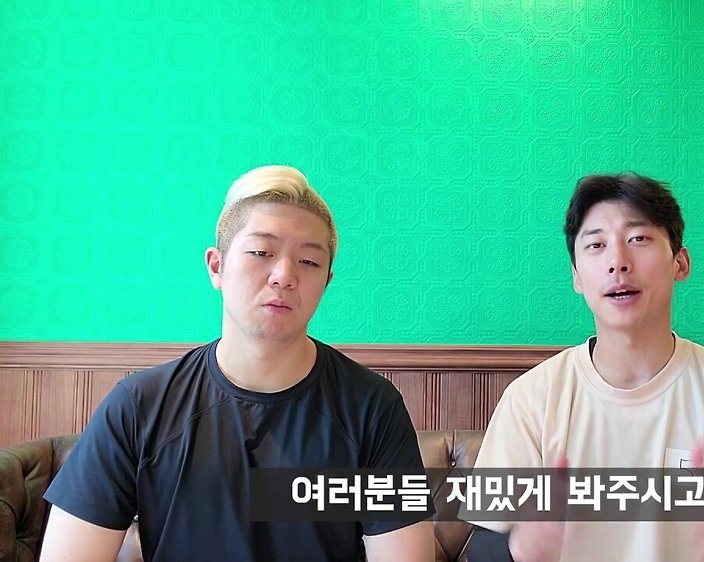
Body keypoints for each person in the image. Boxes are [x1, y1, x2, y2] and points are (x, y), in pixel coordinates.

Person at [41, 165, 435, 562]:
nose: (284, 276)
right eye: (261, 253)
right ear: (217, 266)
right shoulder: (138, 406)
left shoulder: (373, 407)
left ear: (326, 282)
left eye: (308, 262)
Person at [466, 173, 704, 561]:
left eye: (638, 238)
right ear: (577, 277)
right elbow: (481, 550)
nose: (618, 262)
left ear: (680, 262)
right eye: (596, 245)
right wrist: (522, 547)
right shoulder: (530, 401)